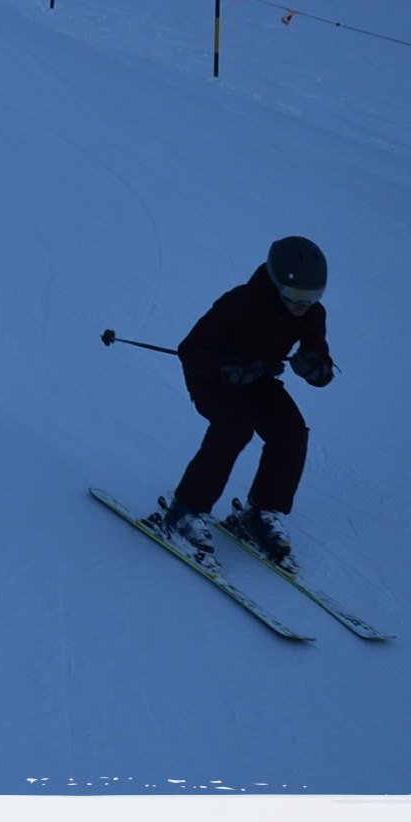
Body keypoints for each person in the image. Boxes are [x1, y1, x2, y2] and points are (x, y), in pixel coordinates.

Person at [152, 237, 335, 575]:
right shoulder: (239, 303)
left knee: (290, 430)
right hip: (210, 379)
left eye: (314, 295)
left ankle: (262, 512)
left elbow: (319, 357)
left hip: (257, 379)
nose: (304, 304)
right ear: (277, 284)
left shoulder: (311, 314)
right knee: (234, 426)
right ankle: (184, 511)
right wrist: (225, 370)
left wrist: (316, 369)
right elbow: (190, 349)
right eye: (296, 295)